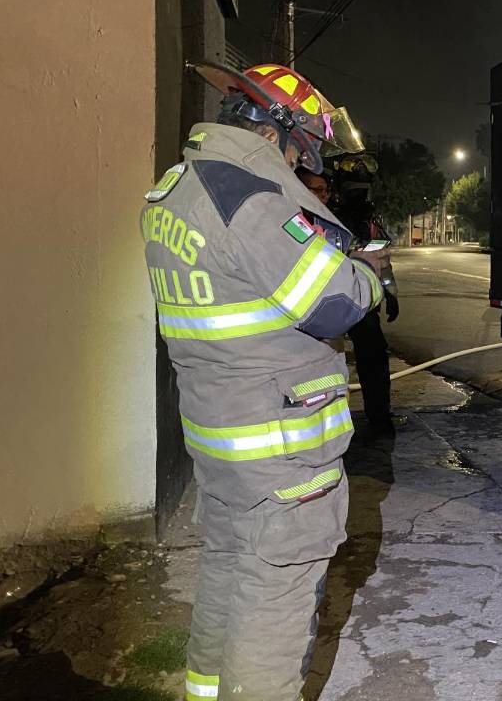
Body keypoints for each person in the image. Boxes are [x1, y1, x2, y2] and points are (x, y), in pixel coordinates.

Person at [142, 61, 387, 701]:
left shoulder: (178, 190)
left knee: (228, 570)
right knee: (272, 598)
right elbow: (333, 303)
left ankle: (203, 690)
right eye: (306, 146)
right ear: (280, 132)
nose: (309, 162)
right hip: (280, 447)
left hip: (222, 436)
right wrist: (369, 272)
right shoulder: (250, 200)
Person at [297, 166, 401, 437]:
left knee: (374, 353)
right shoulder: (299, 216)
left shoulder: (364, 221)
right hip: (316, 300)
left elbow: (382, 260)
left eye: (324, 190)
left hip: (357, 296)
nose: (321, 195)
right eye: (314, 189)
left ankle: (379, 416)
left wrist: (390, 293)